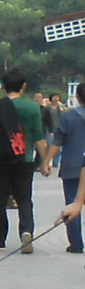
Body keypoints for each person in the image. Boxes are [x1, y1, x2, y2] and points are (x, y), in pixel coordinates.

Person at [0, 69, 48, 252]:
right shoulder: (32, 107)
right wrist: (44, 162)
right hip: (24, 159)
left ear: (4, 87)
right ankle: (26, 231)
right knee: (25, 199)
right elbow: (39, 137)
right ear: (24, 86)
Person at [54, 85, 85, 252]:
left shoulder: (69, 116)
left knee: (72, 204)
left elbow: (58, 141)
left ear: (78, 97)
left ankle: (76, 243)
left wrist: (46, 161)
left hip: (72, 166)